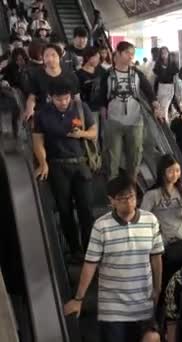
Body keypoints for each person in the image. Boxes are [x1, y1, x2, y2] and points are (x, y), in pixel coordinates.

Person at [63, 176, 164, 342]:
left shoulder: (150, 220)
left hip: (143, 303)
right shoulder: (101, 226)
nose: (128, 202)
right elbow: (90, 264)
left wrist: (157, 289)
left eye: (131, 196)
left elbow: (156, 258)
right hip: (112, 308)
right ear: (111, 201)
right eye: (122, 199)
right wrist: (78, 298)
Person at [32, 81, 96, 261]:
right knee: (65, 210)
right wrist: (43, 162)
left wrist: (81, 134)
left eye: (66, 98)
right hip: (58, 166)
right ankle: (75, 250)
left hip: (81, 164)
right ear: (50, 98)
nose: (63, 102)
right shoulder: (42, 114)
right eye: (59, 99)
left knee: (86, 209)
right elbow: (38, 141)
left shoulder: (80, 107)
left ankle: (90, 249)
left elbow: (93, 132)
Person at [98, 40, 162, 181]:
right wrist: (104, 120)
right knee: (112, 157)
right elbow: (102, 98)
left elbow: (149, 92)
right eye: (127, 53)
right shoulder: (107, 75)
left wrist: (156, 106)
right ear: (118, 54)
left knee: (135, 156)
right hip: (113, 122)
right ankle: (113, 189)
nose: (130, 56)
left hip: (135, 122)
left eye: (132, 54)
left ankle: (131, 186)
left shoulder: (137, 74)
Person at [141, 154, 182, 287]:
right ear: (162, 172)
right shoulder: (152, 194)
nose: (175, 174)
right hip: (165, 244)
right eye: (170, 171)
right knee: (169, 280)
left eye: (177, 170)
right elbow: (143, 218)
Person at [23, 44, 80, 121]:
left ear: (59, 57)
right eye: (46, 56)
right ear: (43, 58)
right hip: (45, 114)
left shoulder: (70, 75)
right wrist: (30, 109)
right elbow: (32, 97)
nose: (50, 59)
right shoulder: (37, 75)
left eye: (53, 55)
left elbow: (77, 98)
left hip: (67, 115)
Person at [76, 46, 104, 147]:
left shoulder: (101, 70)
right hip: (89, 110)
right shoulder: (79, 74)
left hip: (103, 108)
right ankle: (95, 159)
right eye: (95, 57)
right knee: (93, 136)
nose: (97, 59)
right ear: (88, 57)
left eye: (98, 57)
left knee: (104, 135)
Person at [154, 46, 179, 121]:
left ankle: (166, 125)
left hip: (169, 87)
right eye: (162, 53)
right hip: (160, 87)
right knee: (161, 107)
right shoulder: (158, 63)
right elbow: (156, 75)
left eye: (165, 52)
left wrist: (176, 89)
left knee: (164, 108)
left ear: (168, 53)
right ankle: (162, 124)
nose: (164, 54)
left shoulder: (172, 63)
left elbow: (175, 76)